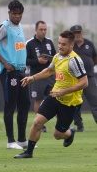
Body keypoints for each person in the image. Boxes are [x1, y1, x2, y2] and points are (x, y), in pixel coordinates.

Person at [14, 30, 88, 159]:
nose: (60, 46)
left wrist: (64, 91)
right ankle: (29, 152)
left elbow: (84, 82)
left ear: (71, 45)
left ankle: (70, 132)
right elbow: (49, 71)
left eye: (64, 44)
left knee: (57, 135)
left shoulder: (75, 61)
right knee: (37, 122)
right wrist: (33, 77)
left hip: (70, 103)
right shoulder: (57, 56)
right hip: (54, 97)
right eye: (59, 43)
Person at [0, 0, 31, 150]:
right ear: (9, 13)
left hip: (21, 71)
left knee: (25, 103)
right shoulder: (4, 27)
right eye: (14, 14)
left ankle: (22, 140)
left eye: (19, 14)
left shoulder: (20, 27)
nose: (17, 16)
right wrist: (4, 63)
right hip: (9, 72)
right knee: (10, 104)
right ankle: (11, 141)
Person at [26, 21, 56, 133]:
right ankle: (39, 124)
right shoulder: (29, 44)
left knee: (55, 98)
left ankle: (59, 124)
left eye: (45, 29)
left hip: (50, 75)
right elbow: (25, 60)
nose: (43, 32)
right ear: (36, 30)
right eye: (41, 29)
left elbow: (55, 57)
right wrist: (37, 61)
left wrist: (50, 59)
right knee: (38, 100)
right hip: (37, 76)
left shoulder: (49, 42)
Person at [70, 25, 97, 132]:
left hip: (89, 77)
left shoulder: (89, 44)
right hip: (74, 78)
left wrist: (89, 66)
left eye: (79, 32)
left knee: (95, 100)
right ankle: (79, 125)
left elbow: (95, 58)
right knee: (76, 102)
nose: (77, 35)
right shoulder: (70, 46)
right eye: (75, 33)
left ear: (82, 33)